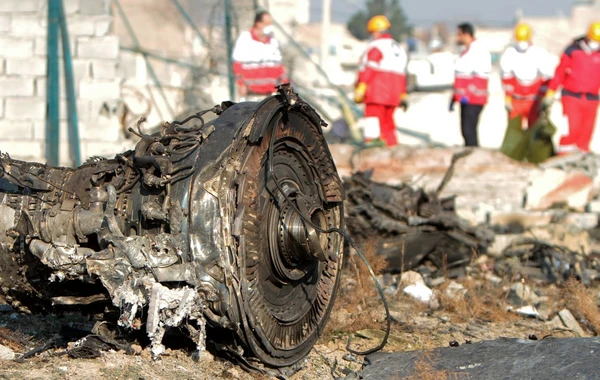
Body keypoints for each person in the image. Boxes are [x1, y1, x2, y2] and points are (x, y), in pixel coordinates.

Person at [541, 22, 600, 154]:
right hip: (571, 97)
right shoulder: (573, 50)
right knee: (571, 129)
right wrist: (550, 92)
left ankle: (581, 160)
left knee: (586, 132)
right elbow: (560, 72)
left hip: (592, 99)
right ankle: (564, 156)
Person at [354, 15, 408, 146]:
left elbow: (369, 69)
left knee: (372, 122)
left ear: (376, 31)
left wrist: (361, 87)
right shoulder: (399, 49)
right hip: (394, 94)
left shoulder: (376, 46)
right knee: (388, 125)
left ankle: (372, 149)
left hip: (376, 93)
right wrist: (403, 94)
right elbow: (402, 73)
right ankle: (392, 149)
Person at [500, 23, 553, 128]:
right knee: (514, 129)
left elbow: (546, 77)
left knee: (535, 129)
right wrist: (507, 98)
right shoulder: (510, 53)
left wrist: (545, 97)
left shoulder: (539, 53)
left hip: (534, 99)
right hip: (516, 99)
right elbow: (507, 78)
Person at [450, 23, 492, 147]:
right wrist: (454, 97)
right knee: (465, 131)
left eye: (459, 34)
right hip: (465, 99)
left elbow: (480, 77)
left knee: (469, 131)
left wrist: (468, 94)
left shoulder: (478, 51)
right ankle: (470, 153)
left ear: (466, 34)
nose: (457, 38)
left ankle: (473, 157)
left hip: (473, 99)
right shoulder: (467, 52)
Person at [232, 11, 287, 100]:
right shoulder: (245, 39)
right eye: (267, 23)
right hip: (251, 94)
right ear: (258, 24)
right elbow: (237, 65)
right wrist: (241, 84)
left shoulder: (273, 41)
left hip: (271, 94)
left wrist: (285, 84)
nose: (270, 26)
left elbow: (279, 67)